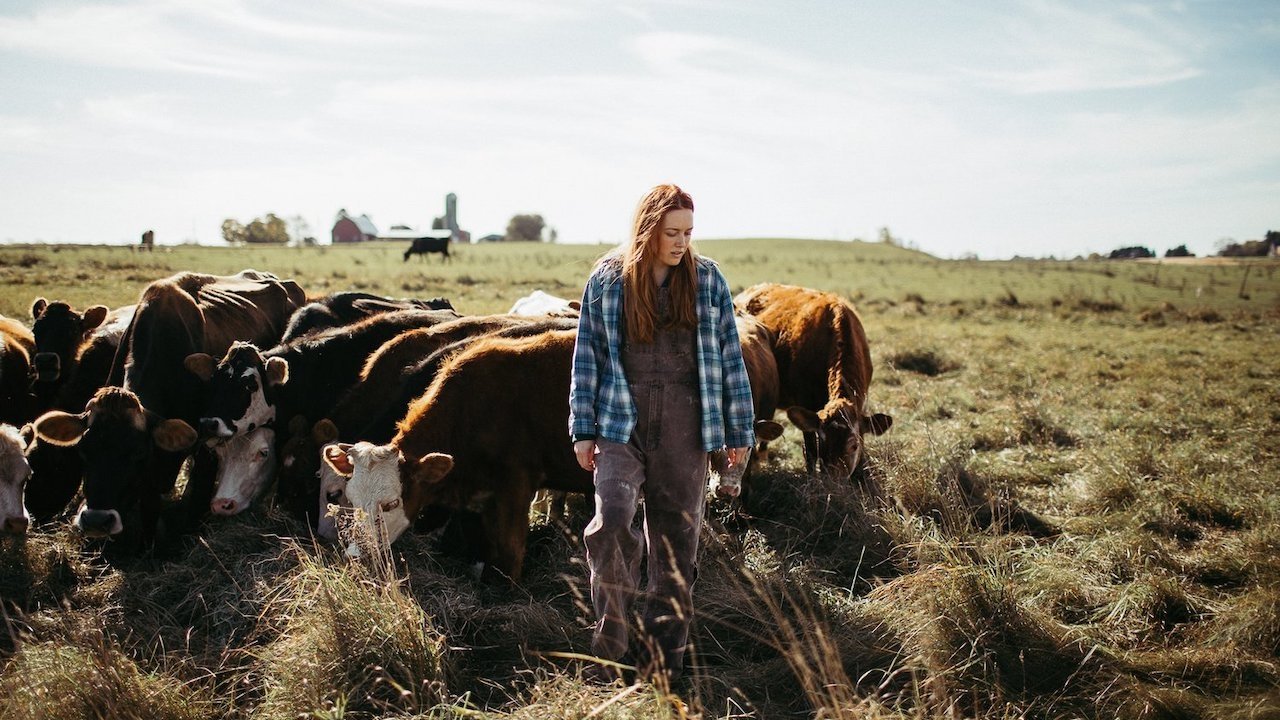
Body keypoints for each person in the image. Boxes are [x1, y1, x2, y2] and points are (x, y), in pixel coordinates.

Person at [569, 183, 755, 681]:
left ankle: (661, 664)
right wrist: (582, 430)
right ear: (647, 231)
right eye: (671, 232)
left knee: (676, 541)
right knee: (610, 524)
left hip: (686, 422)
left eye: (689, 232)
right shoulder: (608, 278)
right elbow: (587, 355)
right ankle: (610, 651)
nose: (681, 242)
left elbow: (730, 358)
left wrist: (738, 430)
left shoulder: (709, 279)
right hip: (618, 420)